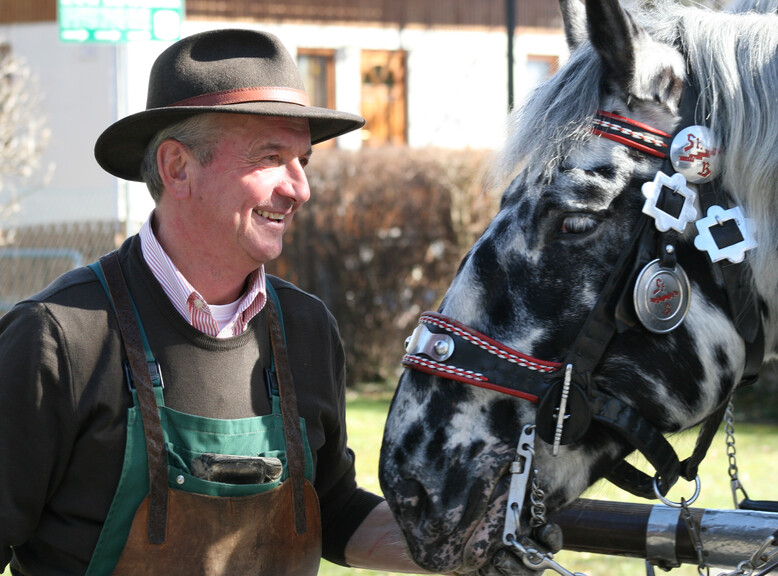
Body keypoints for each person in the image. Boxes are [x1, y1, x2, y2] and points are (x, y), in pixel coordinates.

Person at [0, 28, 430, 575]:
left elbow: (335, 509)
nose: (299, 188)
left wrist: (467, 542)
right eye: (271, 156)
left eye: (304, 161)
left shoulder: (306, 329)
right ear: (177, 167)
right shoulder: (59, 338)